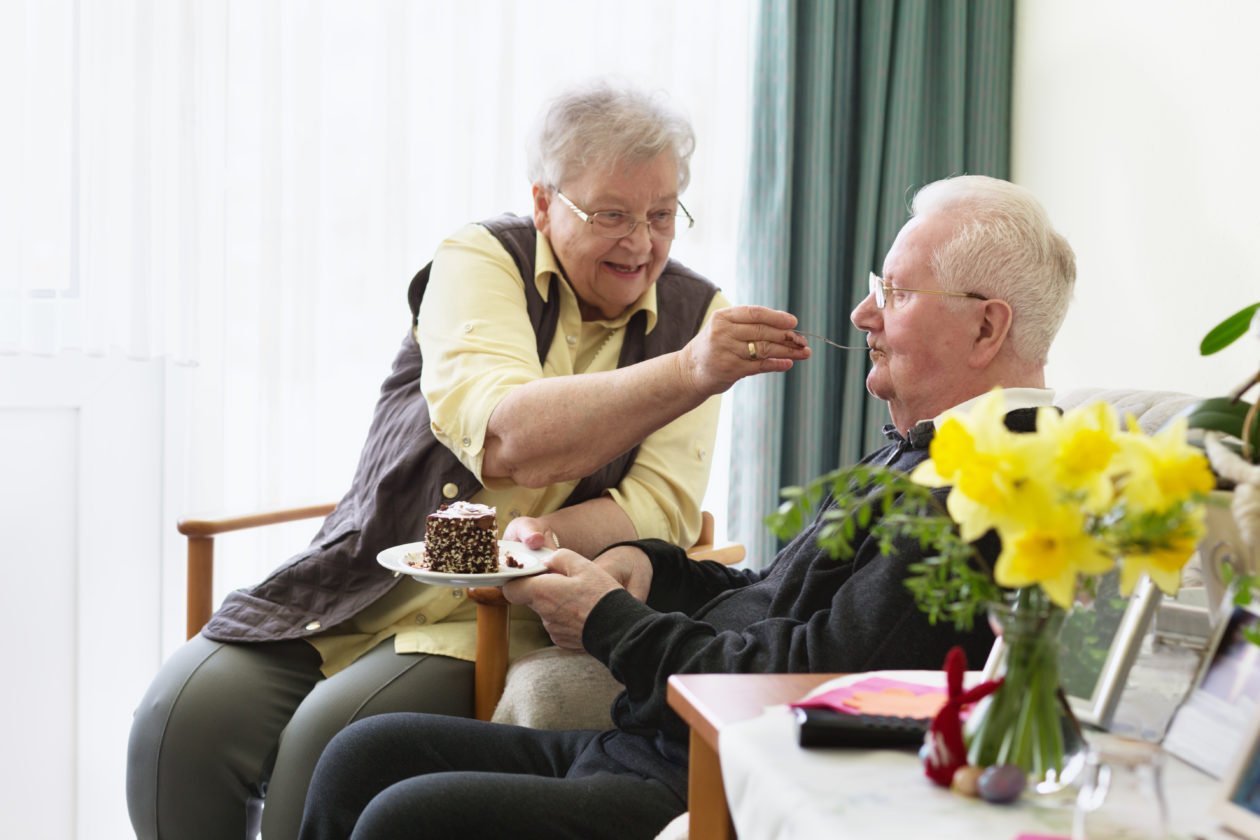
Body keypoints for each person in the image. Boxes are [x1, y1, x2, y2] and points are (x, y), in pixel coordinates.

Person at [294, 174, 1078, 840]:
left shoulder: (991, 489)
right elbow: (775, 597)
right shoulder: (929, 448)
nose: (862, 316)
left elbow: (802, 678)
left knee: (408, 816)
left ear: (986, 325)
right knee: (363, 752)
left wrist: (606, 620)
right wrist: (650, 567)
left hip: (701, 781)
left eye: (895, 294)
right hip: (650, 747)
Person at [125, 79, 811, 840]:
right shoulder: (481, 259)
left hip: (493, 615)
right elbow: (507, 434)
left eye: (661, 214)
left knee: (323, 748)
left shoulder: (699, 317)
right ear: (544, 202)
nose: (642, 243)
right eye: (611, 214)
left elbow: (660, 507)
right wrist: (687, 372)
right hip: (365, 576)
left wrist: (534, 548)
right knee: (174, 727)